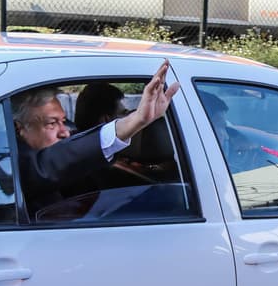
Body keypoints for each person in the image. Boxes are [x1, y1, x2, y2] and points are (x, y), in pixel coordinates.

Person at [14, 62, 179, 217]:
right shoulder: (15, 168)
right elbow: (53, 162)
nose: (65, 133)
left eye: (63, 121)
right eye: (51, 123)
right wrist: (134, 121)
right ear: (18, 128)